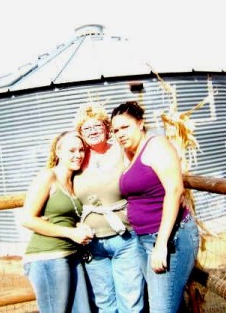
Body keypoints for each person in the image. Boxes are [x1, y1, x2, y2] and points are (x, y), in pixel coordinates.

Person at [111, 101, 200, 313]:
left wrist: (161, 244)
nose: (120, 134)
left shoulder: (157, 145)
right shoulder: (132, 154)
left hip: (170, 238)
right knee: (169, 304)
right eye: (115, 130)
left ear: (140, 124)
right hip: (144, 239)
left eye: (125, 127)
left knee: (162, 308)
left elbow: (174, 190)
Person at [73, 103, 145, 313]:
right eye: (86, 129)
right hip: (92, 243)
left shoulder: (123, 151)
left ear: (106, 127)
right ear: (81, 134)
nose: (93, 131)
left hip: (125, 239)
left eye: (97, 126)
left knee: (131, 302)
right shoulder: (77, 158)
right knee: (104, 304)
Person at [21, 130, 94, 313]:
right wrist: (71, 233)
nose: (78, 155)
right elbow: (27, 219)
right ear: (58, 152)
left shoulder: (74, 181)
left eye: (81, 150)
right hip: (49, 257)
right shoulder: (48, 177)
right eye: (71, 150)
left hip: (72, 254)